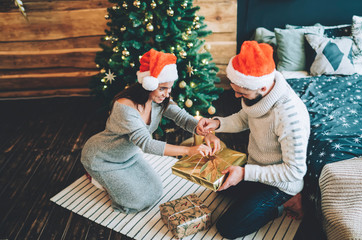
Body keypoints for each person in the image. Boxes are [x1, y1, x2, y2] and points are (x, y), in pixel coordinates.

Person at [81, 49, 221, 213]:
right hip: (102, 158)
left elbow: (182, 118)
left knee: (156, 191)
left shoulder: (160, 99)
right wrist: (188, 151)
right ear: (148, 84)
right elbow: (146, 144)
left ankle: (114, 180)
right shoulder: (124, 107)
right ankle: (96, 177)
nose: (167, 94)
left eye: (169, 88)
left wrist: (207, 133)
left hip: (129, 156)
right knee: (136, 201)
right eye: (162, 88)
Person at [197, 41, 310, 238]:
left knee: (228, 228)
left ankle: (287, 202)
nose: (236, 95)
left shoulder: (289, 116)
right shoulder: (257, 96)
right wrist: (217, 123)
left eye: (241, 92)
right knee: (217, 185)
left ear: (263, 87)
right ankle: (252, 192)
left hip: (281, 184)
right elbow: (244, 118)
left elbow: (295, 170)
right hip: (256, 168)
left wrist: (244, 173)